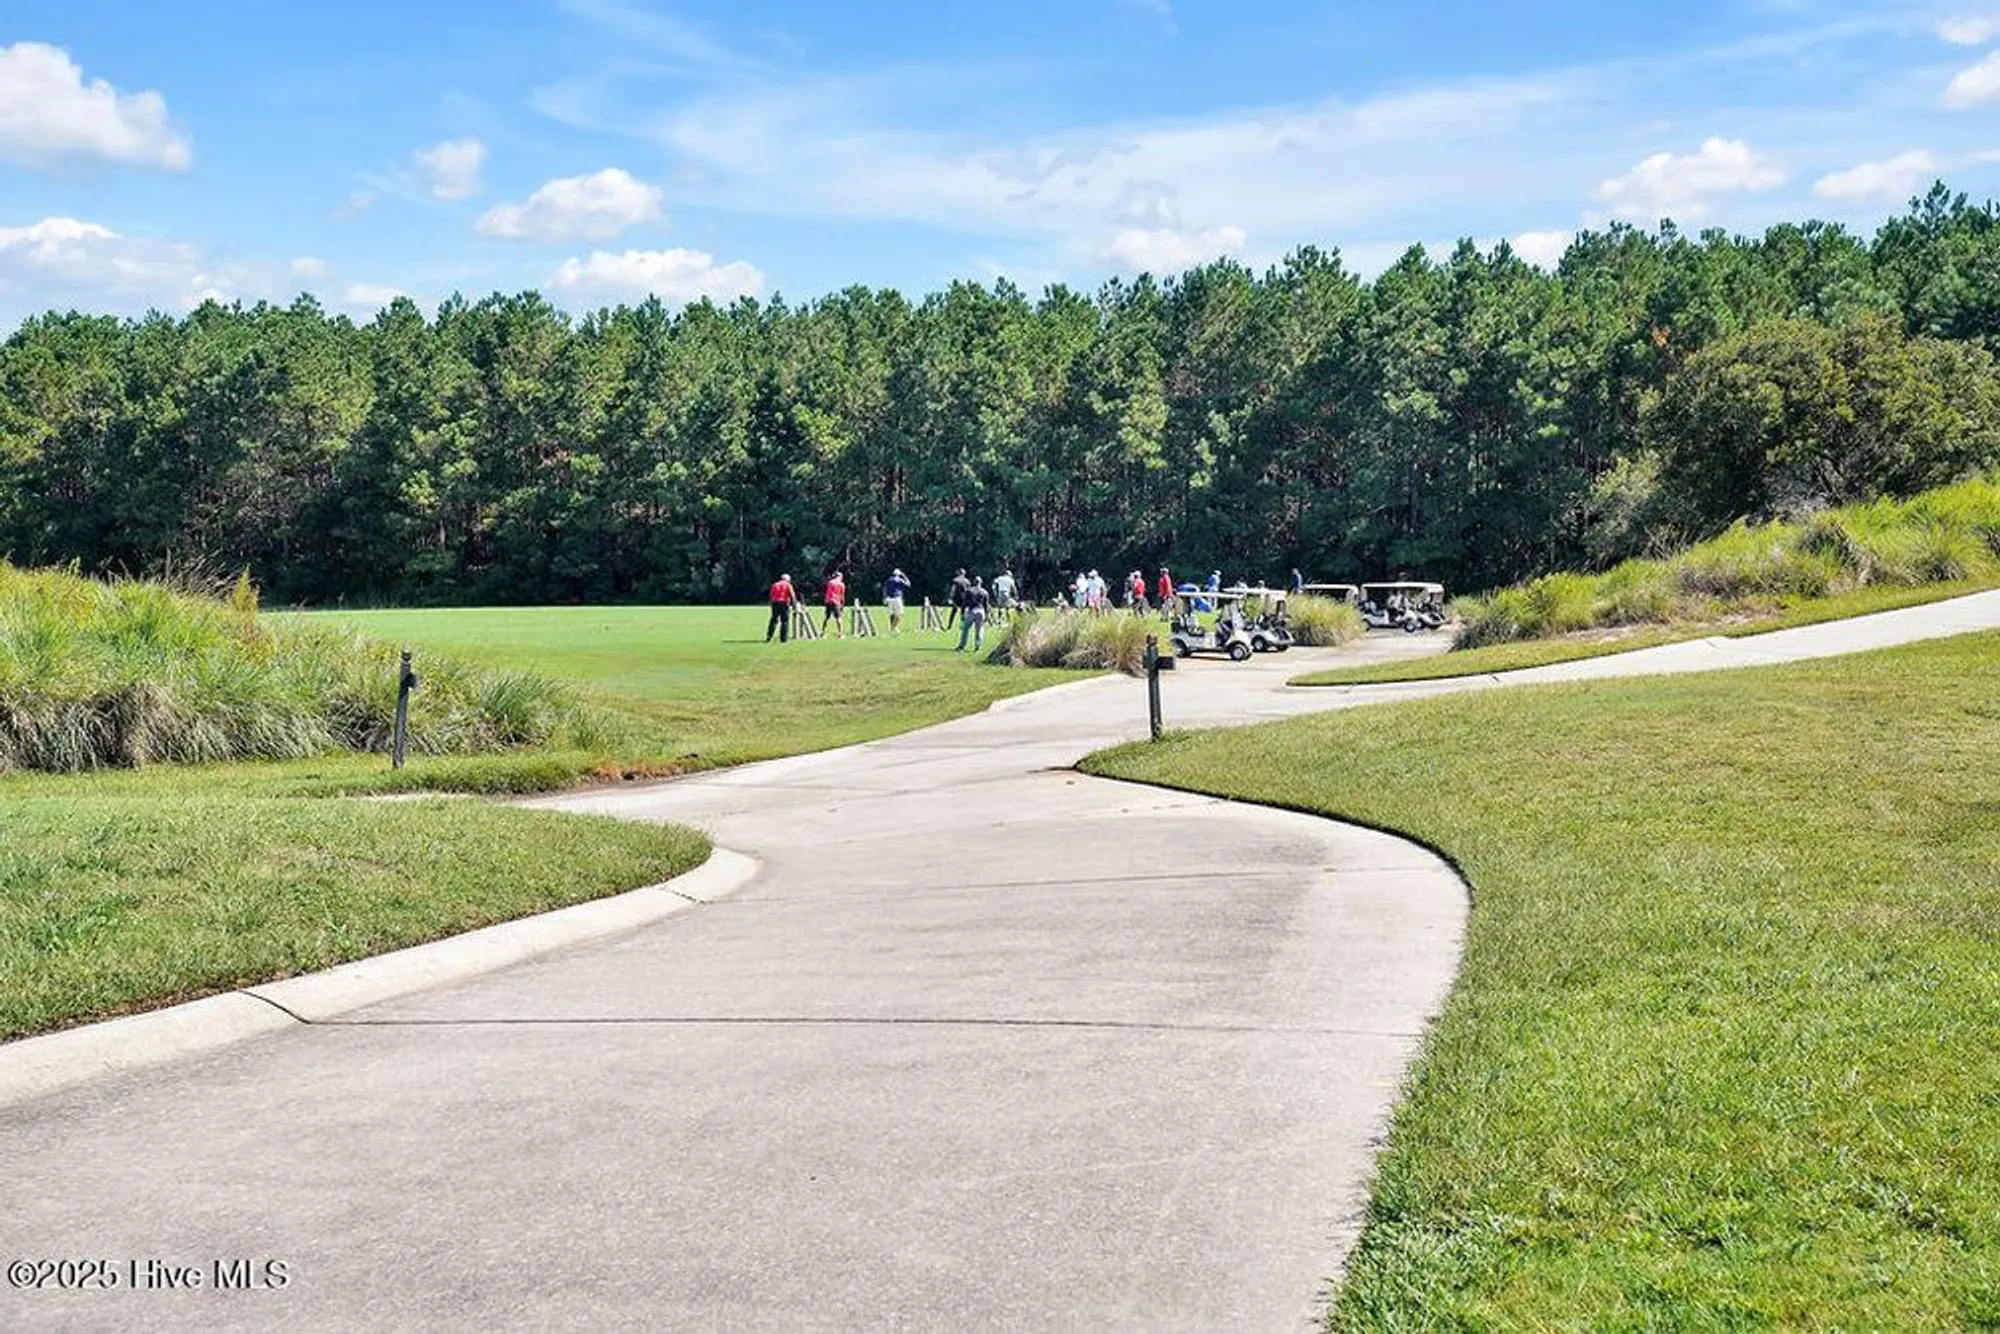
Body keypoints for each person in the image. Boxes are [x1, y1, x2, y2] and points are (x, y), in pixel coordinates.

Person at [955, 576, 990, 652]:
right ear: (981, 582)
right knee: (979, 630)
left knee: (965, 629)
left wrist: (962, 613)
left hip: (972, 611)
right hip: (981, 611)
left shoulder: (969, 591)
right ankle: (977, 646)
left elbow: (964, 603)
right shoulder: (985, 592)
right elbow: (986, 606)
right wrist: (987, 616)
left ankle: (962, 646)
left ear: (974, 582)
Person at [765, 572, 796, 643]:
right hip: (784, 603)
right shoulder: (788, 585)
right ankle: (783, 638)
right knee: (784, 621)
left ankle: (769, 636)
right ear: (787, 580)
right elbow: (792, 595)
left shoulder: (775, 584)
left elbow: (771, 596)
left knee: (773, 620)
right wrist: (794, 605)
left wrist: (771, 605)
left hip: (775, 603)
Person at [882, 567, 911, 634]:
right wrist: (904, 576)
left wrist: (884, 597)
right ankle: (896, 627)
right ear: (898, 574)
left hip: (889, 598)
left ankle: (892, 627)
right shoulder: (899, 580)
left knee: (891, 614)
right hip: (897, 598)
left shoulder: (888, 580)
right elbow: (908, 584)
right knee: (899, 613)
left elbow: (884, 589)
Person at [821, 569, 847, 639]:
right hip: (836, 602)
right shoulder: (841, 584)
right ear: (839, 577)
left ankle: (823, 632)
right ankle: (840, 634)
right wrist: (843, 604)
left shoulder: (830, 583)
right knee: (839, 618)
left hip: (828, 601)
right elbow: (842, 595)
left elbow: (827, 592)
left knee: (827, 617)